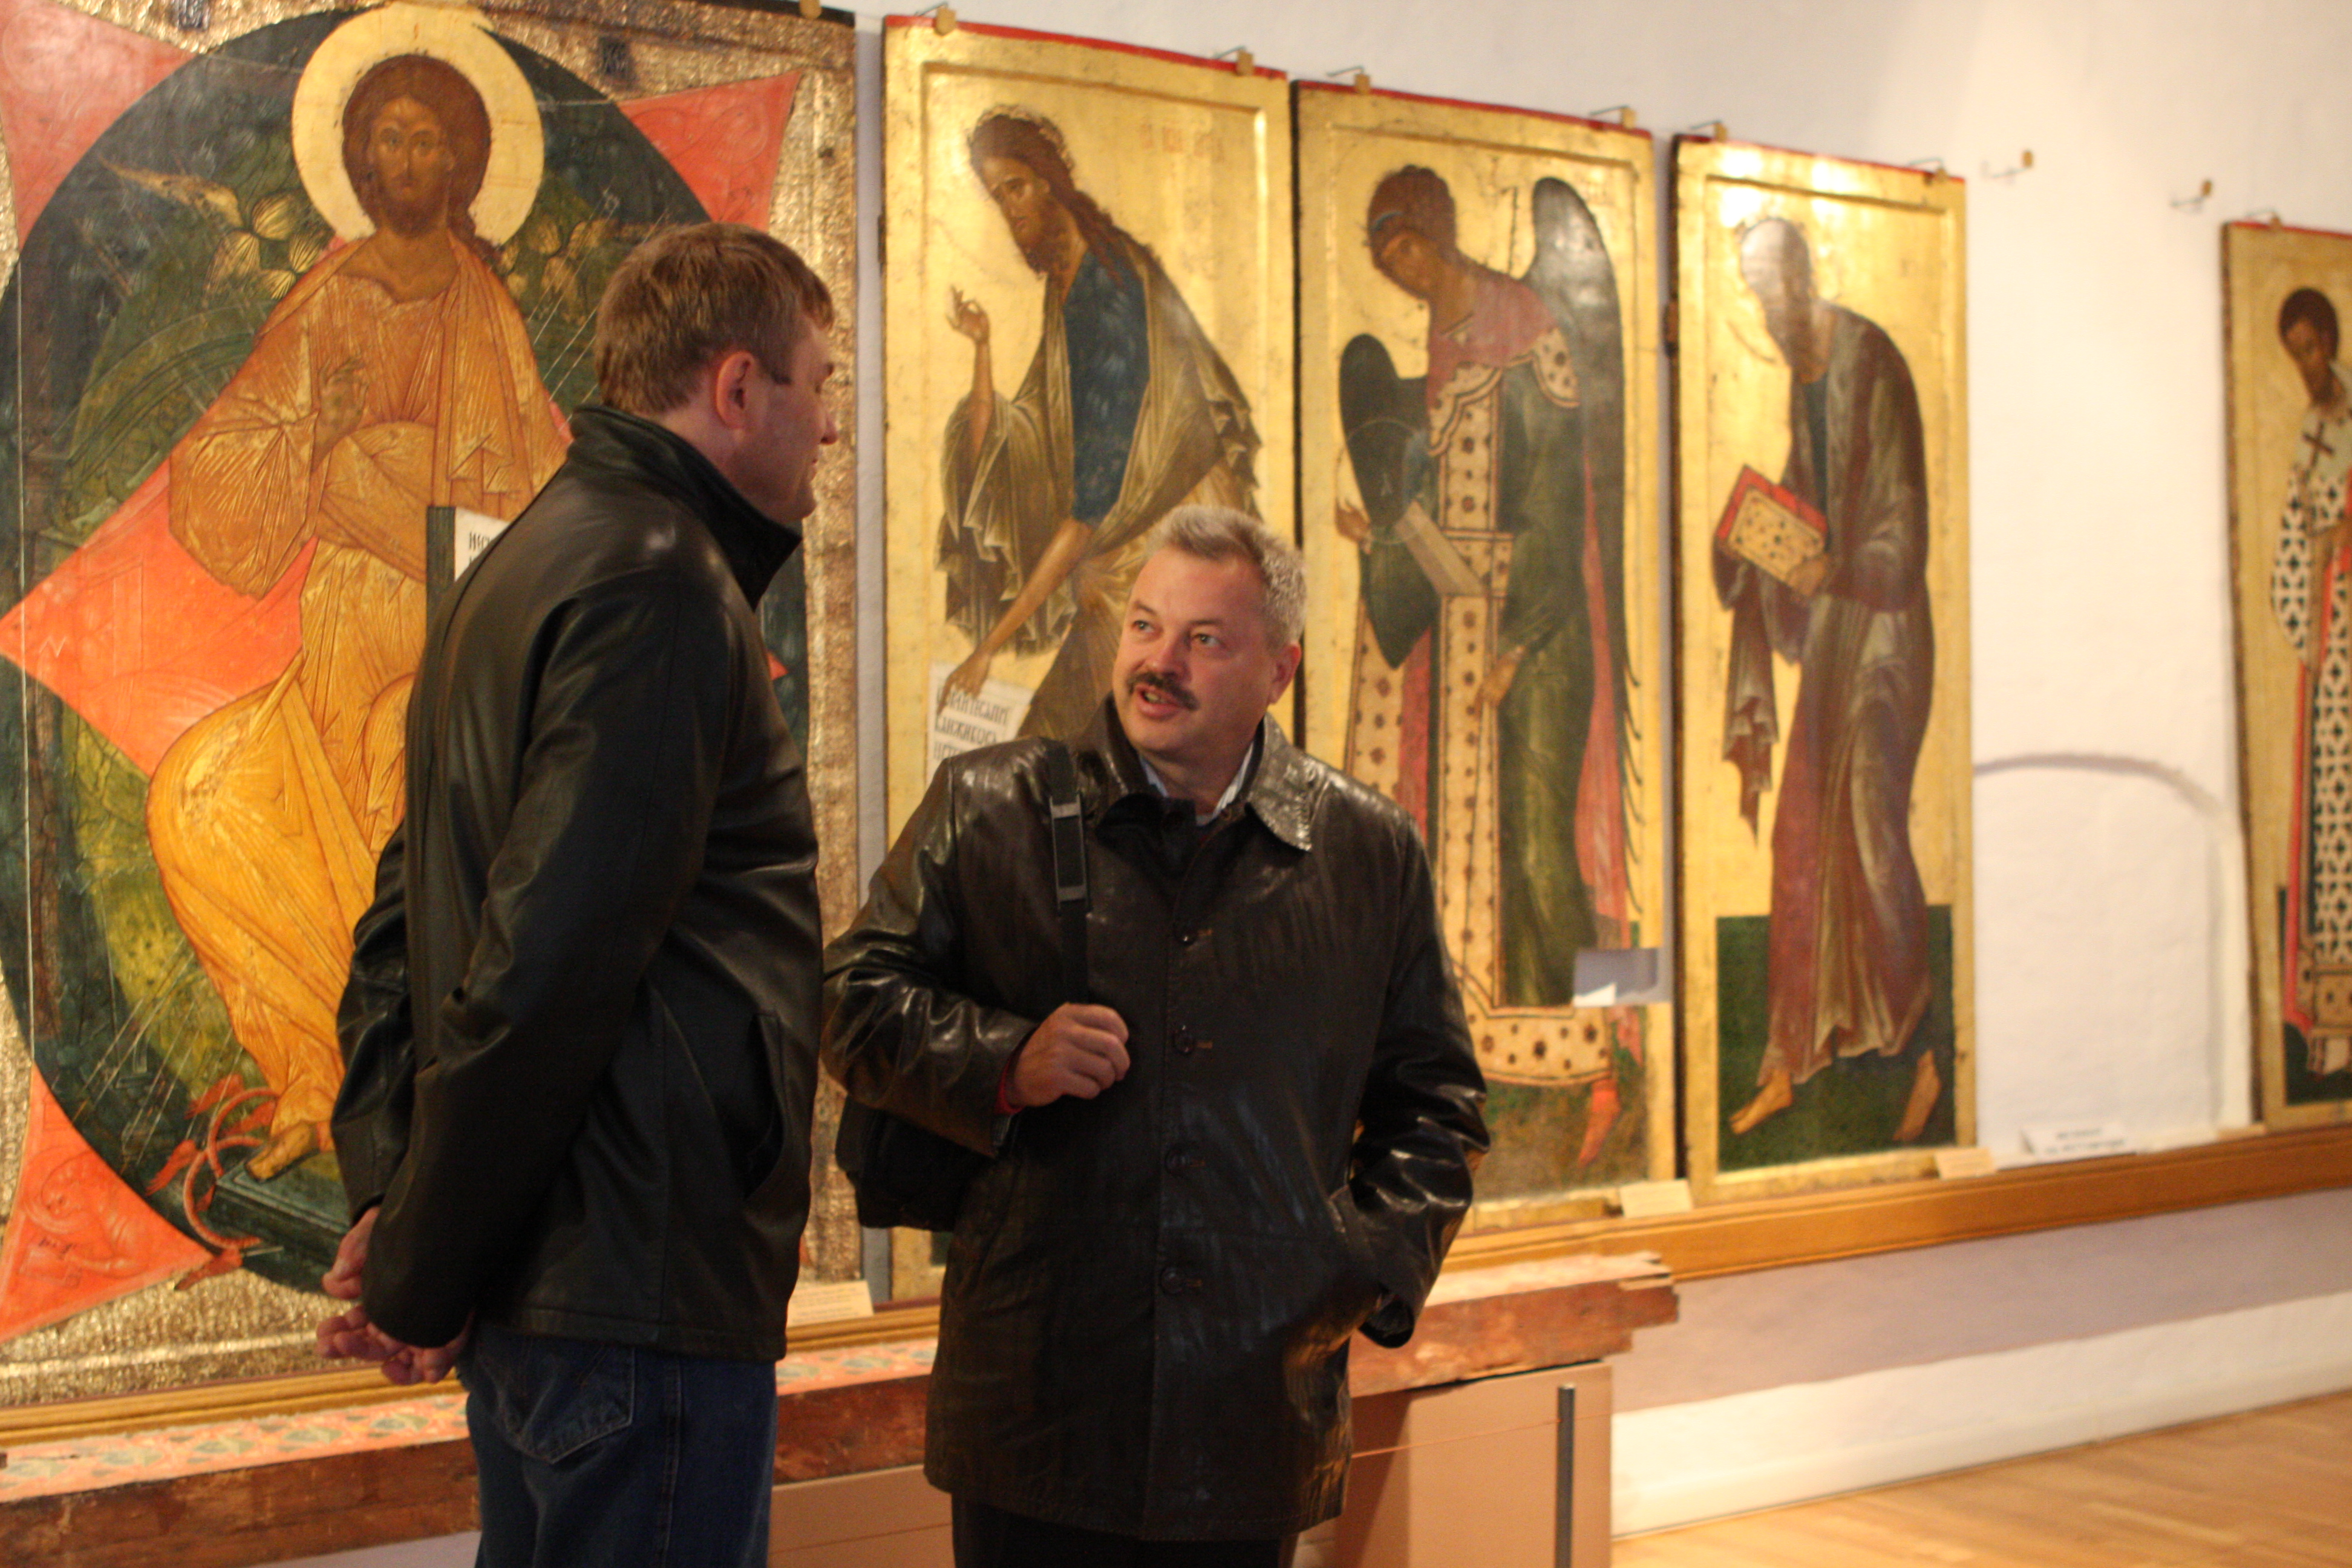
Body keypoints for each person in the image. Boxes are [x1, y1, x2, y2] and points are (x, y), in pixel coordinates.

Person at [826, 506, 1488, 1564]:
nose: (1157, 662)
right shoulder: (987, 807)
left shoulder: (1367, 851)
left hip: (1251, 1414)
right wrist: (1003, 1060)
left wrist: (1352, 1272)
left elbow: (1438, 1106)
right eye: (1144, 625)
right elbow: (848, 997)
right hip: (1034, 1407)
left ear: (1280, 669)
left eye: (1203, 639)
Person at [318, 223, 838, 1568]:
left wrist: (399, 1209)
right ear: (737, 387)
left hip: (560, 1289)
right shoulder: (662, 581)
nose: (830, 428)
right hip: (635, 1287)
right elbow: (545, 968)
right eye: (819, 384)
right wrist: (416, 1271)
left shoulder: (524, 562)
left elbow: (402, 929)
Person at [146, 51, 567, 1178]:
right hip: (338, 632)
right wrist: (314, 437)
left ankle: (428, 1099)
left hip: (450, 632)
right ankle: (312, 1076)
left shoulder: (485, 312)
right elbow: (220, 475)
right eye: (389, 138)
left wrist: (386, 488)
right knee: (201, 801)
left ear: (463, 163)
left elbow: (535, 497)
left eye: (429, 140)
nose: (409, 160)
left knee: (405, 810)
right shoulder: (324, 302)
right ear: (359, 160)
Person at [1339, 166, 1636, 1164]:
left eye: (1408, 248)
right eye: (1387, 260)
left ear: (1440, 234)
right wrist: (1382, 538)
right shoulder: (1440, 344)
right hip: (1467, 622)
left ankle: (1603, 1065)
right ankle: (1499, 1064)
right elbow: (1444, 513)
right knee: (1468, 855)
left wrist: (1516, 645)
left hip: (1542, 632)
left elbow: (1554, 501)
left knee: (1547, 847)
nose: (1404, 271)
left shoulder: (1528, 324)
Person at [1714, 216, 1939, 1141]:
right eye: (1757, 301)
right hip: (1840, 634)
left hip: (1885, 638)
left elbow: (1900, 526)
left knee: (1872, 829)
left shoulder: (1870, 361)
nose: (1769, 317)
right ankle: (1787, 1061)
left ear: (1806, 279)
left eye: (1777, 294)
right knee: (1802, 836)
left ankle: (1927, 1051)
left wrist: (1831, 567)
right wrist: (1757, 539)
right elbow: (1809, 498)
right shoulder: (1803, 379)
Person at [936, 107, 1259, 740]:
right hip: (1123, 562)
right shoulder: (1070, 278)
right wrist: (982, 349)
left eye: (1016, 187)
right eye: (998, 196)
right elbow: (1038, 431)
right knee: (1060, 753)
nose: (1010, 210)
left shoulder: (1107, 292)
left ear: (1049, 180)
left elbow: (1090, 506)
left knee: (1082, 748)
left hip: (1171, 555)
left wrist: (988, 648)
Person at [2269, 287, 2352, 1077]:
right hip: (2333, 648)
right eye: (2294, 353)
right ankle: (2334, 1022)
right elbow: (2296, 539)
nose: (2306, 364)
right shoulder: (2309, 431)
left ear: (2331, 341)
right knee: (2331, 817)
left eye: (2312, 347)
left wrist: (2342, 534)